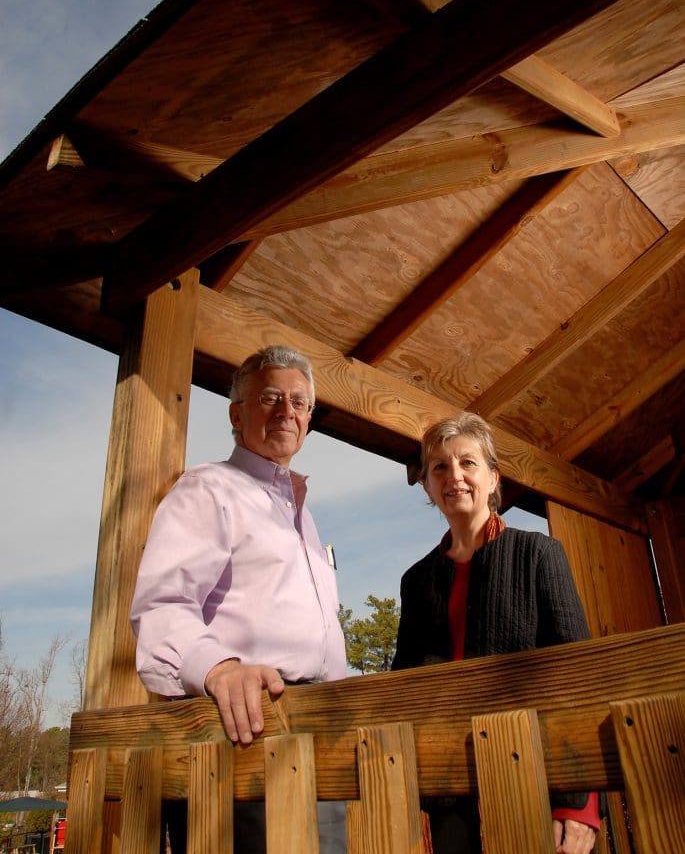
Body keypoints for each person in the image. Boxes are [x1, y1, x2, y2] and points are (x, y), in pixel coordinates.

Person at [130, 344, 347, 853]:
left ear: (309, 421)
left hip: (319, 741)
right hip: (243, 741)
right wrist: (220, 669)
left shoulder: (304, 518)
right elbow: (162, 604)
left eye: (299, 403)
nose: (286, 411)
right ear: (236, 412)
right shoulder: (209, 489)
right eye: (271, 397)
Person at [392, 413, 600, 854]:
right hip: (449, 790)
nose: (455, 477)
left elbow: (576, 681)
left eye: (468, 463)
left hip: (535, 777)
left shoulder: (539, 553)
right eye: (440, 468)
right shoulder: (416, 581)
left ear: (492, 478)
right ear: (429, 486)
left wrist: (579, 804)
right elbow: (404, 691)